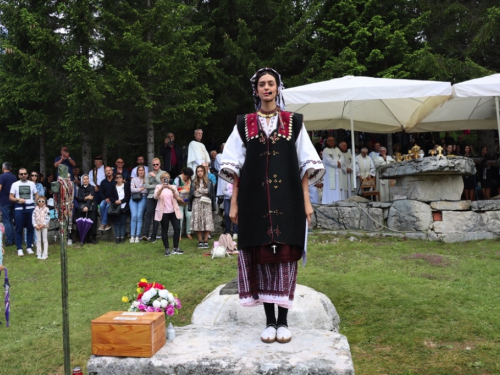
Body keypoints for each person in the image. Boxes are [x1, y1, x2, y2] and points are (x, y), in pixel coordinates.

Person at [219, 67, 324, 344]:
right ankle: (268, 321)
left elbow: (305, 165)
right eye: (262, 84)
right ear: (256, 90)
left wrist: (306, 202)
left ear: (278, 88)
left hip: (288, 201)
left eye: (271, 84)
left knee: (285, 259)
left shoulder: (294, 122)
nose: (267, 88)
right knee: (261, 258)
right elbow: (235, 166)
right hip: (254, 202)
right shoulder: (244, 123)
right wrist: (234, 204)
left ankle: (284, 322)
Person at [10, 168, 38, 256]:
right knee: (19, 229)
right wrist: (18, 199)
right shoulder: (15, 184)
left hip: (30, 207)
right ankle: (19, 248)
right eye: (21, 174)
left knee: (30, 228)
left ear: (27, 174)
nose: (23, 175)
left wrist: (36, 203)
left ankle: (29, 247)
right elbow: (11, 197)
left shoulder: (32, 184)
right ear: (18, 175)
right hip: (19, 208)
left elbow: (36, 194)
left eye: (25, 174)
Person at [154, 172, 184, 256]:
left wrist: (171, 188)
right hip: (163, 212)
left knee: (177, 228)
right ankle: (167, 248)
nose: (165, 179)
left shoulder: (173, 186)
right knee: (164, 230)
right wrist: (162, 188)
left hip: (173, 211)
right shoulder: (158, 186)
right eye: (164, 178)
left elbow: (177, 195)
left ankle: (176, 247)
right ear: (161, 179)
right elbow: (155, 196)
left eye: (167, 177)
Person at [188, 165, 216, 249]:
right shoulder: (193, 182)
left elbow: (209, 192)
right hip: (196, 203)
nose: (199, 173)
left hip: (206, 202)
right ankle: (200, 241)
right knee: (197, 221)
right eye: (198, 171)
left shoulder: (209, 181)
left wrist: (200, 190)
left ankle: (206, 240)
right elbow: (193, 193)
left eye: (201, 171)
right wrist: (202, 191)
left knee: (207, 221)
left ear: (204, 172)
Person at [141, 158, 165, 242]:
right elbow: (146, 186)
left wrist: (155, 177)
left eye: (157, 164)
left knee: (157, 216)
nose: (155, 166)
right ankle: (145, 234)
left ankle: (153, 236)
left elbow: (164, 184)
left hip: (159, 196)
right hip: (150, 196)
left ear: (160, 164)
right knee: (148, 214)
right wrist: (158, 186)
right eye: (154, 164)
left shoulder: (163, 173)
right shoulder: (148, 174)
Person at [75, 174, 98, 244]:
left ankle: (91, 237)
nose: (85, 180)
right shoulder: (80, 188)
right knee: (81, 220)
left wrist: (87, 206)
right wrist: (86, 197)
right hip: (82, 206)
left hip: (91, 206)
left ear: (89, 180)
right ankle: (83, 237)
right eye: (84, 179)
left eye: (87, 179)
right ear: (82, 180)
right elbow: (79, 198)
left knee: (92, 221)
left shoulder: (92, 188)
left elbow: (91, 199)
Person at [173, 167, 194, 240]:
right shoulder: (178, 179)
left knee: (189, 216)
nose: (188, 178)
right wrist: (178, 198)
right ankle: (179, 234)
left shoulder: (191, 180)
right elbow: (173, 191)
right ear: (183, 174)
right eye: (187, 177)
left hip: (187, 201)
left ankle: (188, 232)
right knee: (180, 217)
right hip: (179, 201)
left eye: (190, 177)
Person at [109, 172, 130, 243]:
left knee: (123, 222)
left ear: (122, 178)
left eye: (120, 177)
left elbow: (128, 196)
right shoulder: (113, 186)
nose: (119, 178)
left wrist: (121, 201)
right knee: (116, 222)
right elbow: (110, 196)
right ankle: (117, 237)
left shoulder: (126, 185)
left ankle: (122, 237)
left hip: (124, 206)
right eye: (117, 177)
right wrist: (115, 201)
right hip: (116, 207)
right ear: (115, 179)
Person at [0, 162, 18, 247]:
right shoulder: (14, 177)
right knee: (11, 221)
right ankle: (14, 239)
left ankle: (9, 240)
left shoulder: (2, 176)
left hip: (4, 201)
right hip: (13, 200)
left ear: (3, 168)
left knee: (6, 221)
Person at [129, 165, 148, 243]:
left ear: (144, 171)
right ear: (137, 172)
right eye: (139, 170)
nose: (141, 171)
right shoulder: (134, 179)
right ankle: (132, 236)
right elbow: (132, 189)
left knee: (139, 216)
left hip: (143, 198)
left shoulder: (147, 180)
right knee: (134, 215)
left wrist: (137, 189)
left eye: (142, 170)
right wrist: (141, 189)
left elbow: (146, 190)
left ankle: (137, 236)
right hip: (133, 198)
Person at [321, 137, 343, 204]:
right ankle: (328, 201)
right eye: (330, 141)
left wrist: (340, 162)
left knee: (337, 187)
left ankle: (337, 201)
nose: (332, 142)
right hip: (329, 172)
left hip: (337, 171)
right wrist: (337, 163)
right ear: (327, 142)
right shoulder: (325, 150)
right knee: (330, 188)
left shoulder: (337, 150)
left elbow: (342, 157)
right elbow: (328, 161)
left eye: (333, 140)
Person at [98, 166, 116, 231]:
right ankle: (107, 223)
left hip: (113, 199)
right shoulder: (103, 182)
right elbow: (100, 193)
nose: (108, 172)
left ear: (112, 171)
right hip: (105, 199)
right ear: (105, 173)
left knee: (108, 206)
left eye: (109, 170)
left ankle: (103, 224)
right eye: (106, 171)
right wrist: (105, 198)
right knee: (102, 205)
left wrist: (111, 199)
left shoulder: (115, 181)